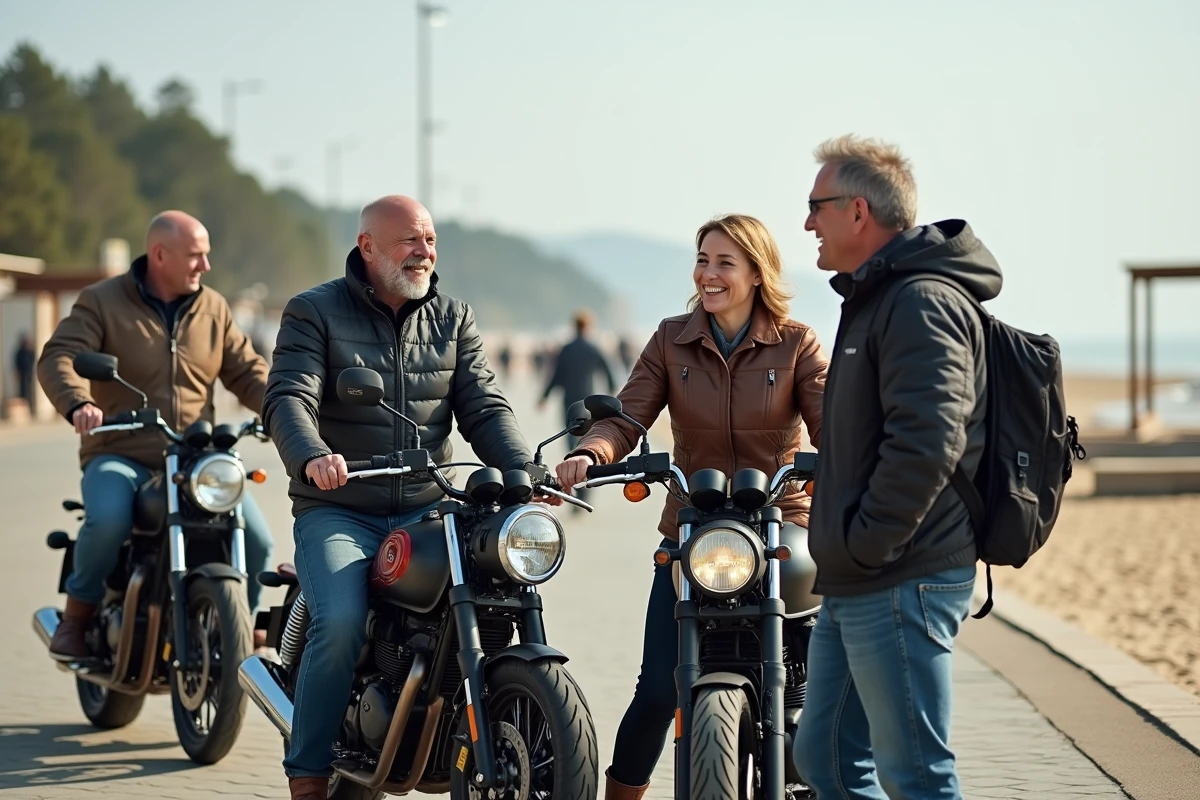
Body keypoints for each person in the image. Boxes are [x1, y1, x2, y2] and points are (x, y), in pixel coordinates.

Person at [262, 195, 543, 800]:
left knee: (499, 594)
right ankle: (308, 772)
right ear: (367, 246)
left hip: (428, 506)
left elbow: (483, 404)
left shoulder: (452, 316)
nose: (425, 253)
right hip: (340, 507)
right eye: (409, 241)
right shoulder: (314, 311)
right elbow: (289, 397)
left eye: (431, 240)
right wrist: (312, 456)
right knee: (338, 623)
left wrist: (523, 470)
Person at [554, 213, 829, 799]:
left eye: (725, 262)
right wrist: (592, 451)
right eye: (703, 260)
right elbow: (627, 414)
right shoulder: (670, 337)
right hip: (694, 525)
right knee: (657, 688)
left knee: (821, 682)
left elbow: (833, 424)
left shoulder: (796, 342)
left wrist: (849, 461)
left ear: (757, 273)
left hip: (783, 521)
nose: (708, 273)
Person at [791, 135, 1001, 799]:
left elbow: (930, 440)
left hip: (900, 572)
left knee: (914, 774)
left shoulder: (920, 301)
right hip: (860, 576)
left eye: (815, 206)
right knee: (823, 757)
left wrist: (867, 542)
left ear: (858, 212)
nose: (806, 223)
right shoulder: (876, 297)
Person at [36, 210, 275, 661]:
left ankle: (241, 622)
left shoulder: (213, 308)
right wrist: (78, 403)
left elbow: (247, 372)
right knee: (108, 519)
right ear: (160, 254)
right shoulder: (102, 301)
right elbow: (59, 356)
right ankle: (76, 617)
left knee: (259, 538)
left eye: (206, 256)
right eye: (195, 256)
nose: (205, 266)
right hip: (122, 452)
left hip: (194, 459)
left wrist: (284, 411)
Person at [539, 308, 617, 509]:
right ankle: (585, 490)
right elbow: (609, 372)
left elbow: (556, 376)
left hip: (569, 404)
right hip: (589, 404)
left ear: (574, 326)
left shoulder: (566, 349)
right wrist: (611, 393)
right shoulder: (593, 347)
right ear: (589, 326)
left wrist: (544, 396)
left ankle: (574, 490)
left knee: (572, 447)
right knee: (587, 446)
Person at [13, 332, 35, 405]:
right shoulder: (20, 352)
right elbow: (17, 363)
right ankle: (24, 405)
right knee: (22, 390)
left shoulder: (31, 351)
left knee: (30, 390)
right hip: (22, 374)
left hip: (29, 374)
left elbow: (33, 360)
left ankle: (30, 404)